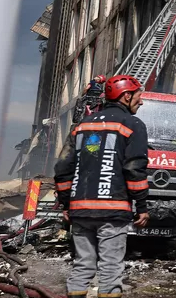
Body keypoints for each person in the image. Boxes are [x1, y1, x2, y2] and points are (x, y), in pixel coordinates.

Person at [54, 75, 150, 298]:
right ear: (127, 96)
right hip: (112, 211)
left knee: (82, 267)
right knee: (110, 270)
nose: (141, 101)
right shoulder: (133, 124)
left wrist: (67, 204)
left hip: (80, 211)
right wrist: (142, 206)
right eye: (139, 96)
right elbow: (134, 168)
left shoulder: (82, 126)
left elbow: (63, 167)